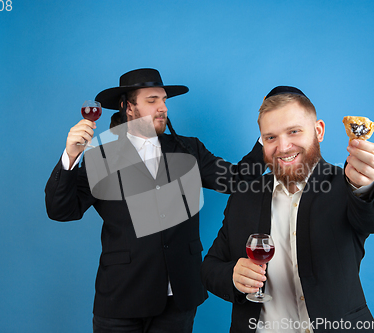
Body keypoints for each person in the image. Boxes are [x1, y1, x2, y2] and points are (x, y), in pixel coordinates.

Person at [44, 68, 267, 332]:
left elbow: (236, 180)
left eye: (164, 100)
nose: (162, 107)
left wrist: (268, 138)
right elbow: (61, 210)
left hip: (178, 301)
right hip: (121, 300)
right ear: (129, 107)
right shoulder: (102, 156)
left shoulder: (189, 149)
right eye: (152, 100)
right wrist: (71, 157)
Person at [201, 86, 374, 333]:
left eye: (294, 131)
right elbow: (209, 268)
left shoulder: (346, 184)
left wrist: (366, 183)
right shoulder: (244, 196)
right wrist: (232, 274)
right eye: (271, 137)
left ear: (318, 131)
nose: (283, 147)